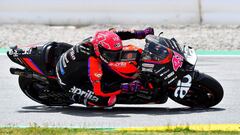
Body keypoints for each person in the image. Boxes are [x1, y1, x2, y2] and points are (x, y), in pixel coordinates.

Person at [55, 27, 154, 107]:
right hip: (68, 82)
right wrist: (125, 87)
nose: (115, 59)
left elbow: (116, 34)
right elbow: (100, 90)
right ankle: (79, 99)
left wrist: (140, 33)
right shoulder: (93, 64)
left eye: (117, 54)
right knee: (108, 101)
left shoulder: (101, 40)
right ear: (99, 50)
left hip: (73, 62)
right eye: (111, 55)